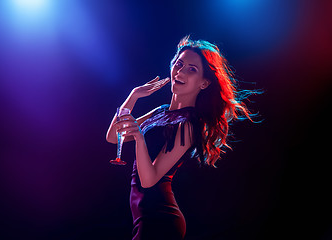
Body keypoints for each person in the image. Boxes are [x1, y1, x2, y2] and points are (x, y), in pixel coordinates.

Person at [106, 36, 260, 240]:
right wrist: (133, 95)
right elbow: (113, 137)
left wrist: (140, 138)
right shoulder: (159, 112)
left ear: (204, 83)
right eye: (179, 64)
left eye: (192, 69)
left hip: (160, 220)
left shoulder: (188, 124)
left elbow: (149, 179)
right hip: (144, 217)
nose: (180, 71)